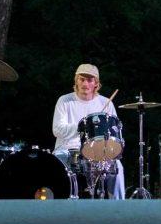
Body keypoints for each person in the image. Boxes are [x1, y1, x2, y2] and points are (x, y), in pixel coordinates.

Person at [52, 63, 125, 199]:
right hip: (67, 149)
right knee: (56, 161)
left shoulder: (105, 103)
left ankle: (118, 210)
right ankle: (56, 209)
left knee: (118, 167)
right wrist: (82, 128)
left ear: (96, 83)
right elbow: (57, 130)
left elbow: (114, 132)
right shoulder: (64, 100)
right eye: (82, 79)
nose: (85, 83)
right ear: (76, 81)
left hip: (97, 151)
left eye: (90, 80)